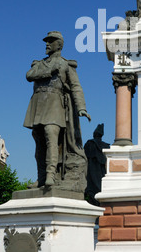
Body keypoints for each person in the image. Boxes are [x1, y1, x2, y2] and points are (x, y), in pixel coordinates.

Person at [23, 31, 91, 187]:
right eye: (46, 41)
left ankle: (51, 175)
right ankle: (40, 177)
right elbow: (29, 75)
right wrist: (48, 72)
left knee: (51, 137)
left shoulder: (65, 64)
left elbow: (76, 87)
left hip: (55, 104)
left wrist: (81, 108)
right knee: (39, 142)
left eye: (50, 41)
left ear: (59, 44)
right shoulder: (39, 64)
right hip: (37, 104)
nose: (47, 44)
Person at [84, 123, 110, 206]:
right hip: (102, 171)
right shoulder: (106, 146)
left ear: (94, 134)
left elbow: (85, 156)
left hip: (91, 170)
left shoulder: (89, 143)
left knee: (91, 188)